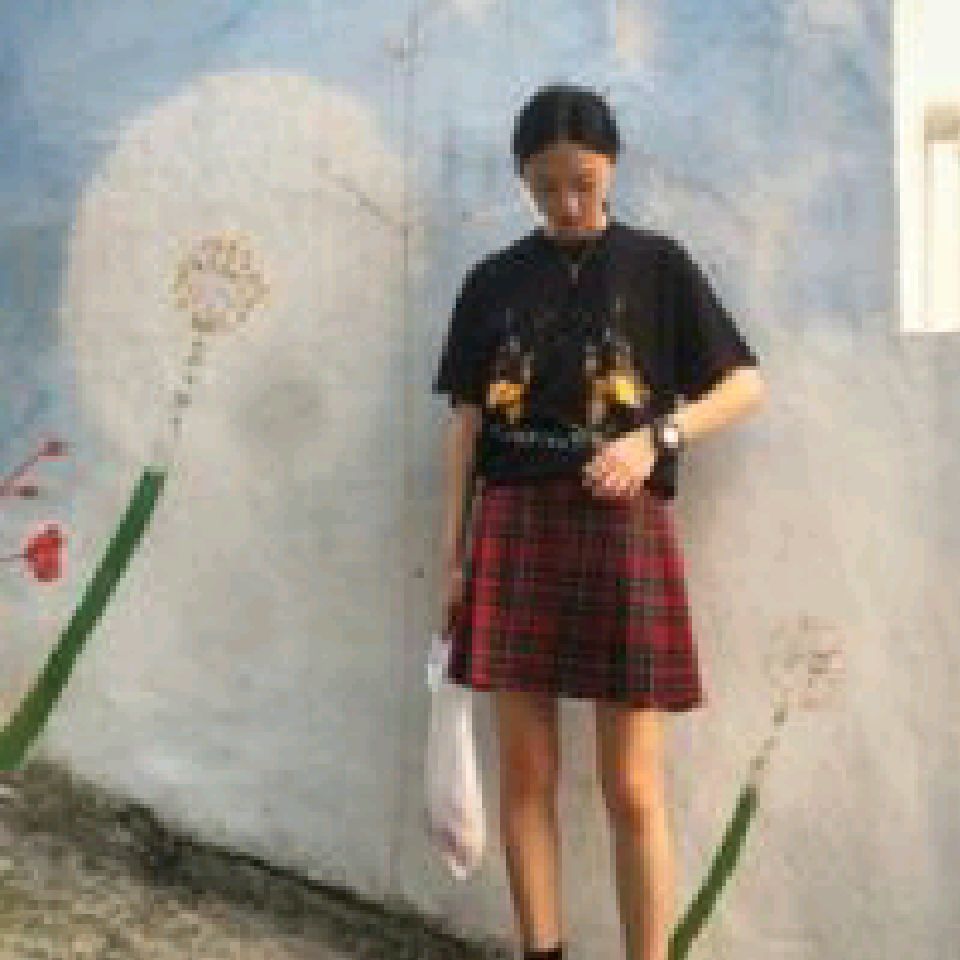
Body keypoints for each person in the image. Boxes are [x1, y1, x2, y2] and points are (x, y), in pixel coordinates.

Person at [432, 84, 767, 960]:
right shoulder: (492, 280)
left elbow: (744, 386)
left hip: (624, 529)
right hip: (511, 528)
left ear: (612, 166)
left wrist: (657, 438)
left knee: (632, 788)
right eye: (545, 187)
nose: (567, 203)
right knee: (528, 776)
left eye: (581, 182)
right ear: (523, 180)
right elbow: (464, 430)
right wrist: (453, 561)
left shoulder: (658, 266)